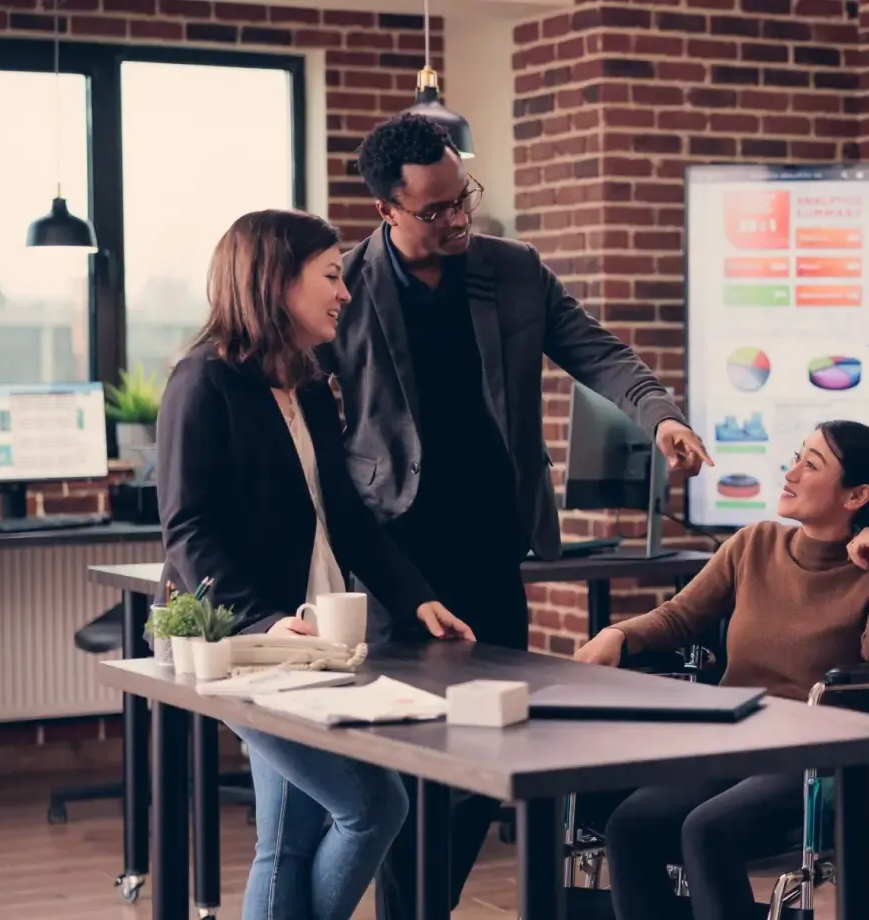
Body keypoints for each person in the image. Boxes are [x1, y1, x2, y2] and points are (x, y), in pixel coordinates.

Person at [326, 113, 713, 920]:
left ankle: (425, 904)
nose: (459, 218)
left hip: (493, 541)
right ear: (386, 211)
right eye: (435, 210)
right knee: (402, 754)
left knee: (486, 744)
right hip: (391, 550)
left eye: (461, 197)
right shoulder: (347, 287)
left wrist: (661, 415)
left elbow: (599, 351)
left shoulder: (512, 270)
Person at [157, 209, 474, 920]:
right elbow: (189, 531)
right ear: (275, 282)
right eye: (331, 276)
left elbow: (348, 517)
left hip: (309, 643)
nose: (345, 292)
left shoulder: (304, 383)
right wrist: (267, 621)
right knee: (371, 805)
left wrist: (415, 596)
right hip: (241, 643)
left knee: (289, 838)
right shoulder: (199, 383)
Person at [572, 421, 869, 920]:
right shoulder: (754, 544)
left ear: (857, 495)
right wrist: (620, 635)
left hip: (817, 757)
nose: (792, 471)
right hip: (735, 740)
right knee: (630, 825)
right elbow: (680, 616)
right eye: (797, 455)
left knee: (707, 830)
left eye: (811, 464)